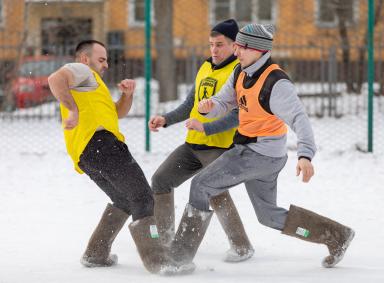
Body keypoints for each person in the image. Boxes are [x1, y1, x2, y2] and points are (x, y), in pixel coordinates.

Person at [168, 24, 355, 269]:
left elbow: (300, 119)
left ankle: (180, 258)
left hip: (257, 154)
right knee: (268, 216)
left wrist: (305, 155)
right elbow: (226, 100)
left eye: (242, 47)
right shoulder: (241, 72)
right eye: (237, 46)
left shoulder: (276, 83)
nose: (237, 52)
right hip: (263, 155)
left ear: (258, 50)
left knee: (201, 185)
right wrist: (210, 105)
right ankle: (336, 235)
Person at [48, 40, 191, 275]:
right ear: (85, 59)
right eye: (101, 59)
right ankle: (158, 261)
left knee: (125, 200)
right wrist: (71, 109)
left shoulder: (92, 84)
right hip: (102, 145)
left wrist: (127, 95)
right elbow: (55, 79)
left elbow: (117, 113)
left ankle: (96, 254)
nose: (105, 65)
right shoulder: (82, 70)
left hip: (89, 154)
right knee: (144, 197)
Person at [148, 19, 254, 262]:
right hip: (192, 145)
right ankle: (164, 240)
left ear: (234, 46)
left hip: (219, 147)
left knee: (215, 192)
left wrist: (207, 127)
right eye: (211, 45)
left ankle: (241, 246)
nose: (214, 50)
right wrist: (166, 119)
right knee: (161, 180)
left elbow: (239, 115)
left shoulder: (239, 72)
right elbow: (190, 105)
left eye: (219, 45)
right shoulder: (205, 67)